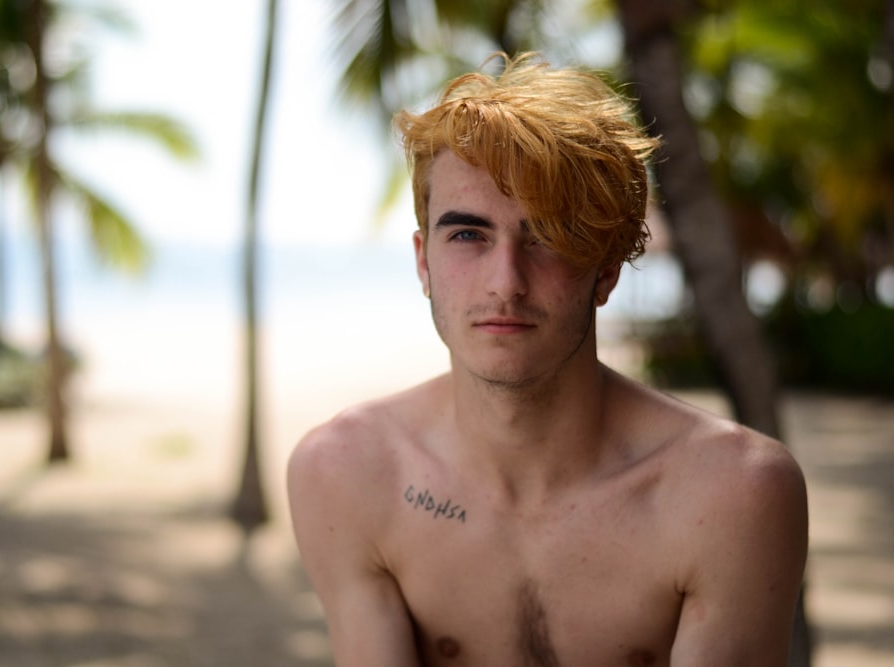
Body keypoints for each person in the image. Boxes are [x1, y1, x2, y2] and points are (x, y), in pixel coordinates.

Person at [287, 52, 808, 666]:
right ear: (424, 262)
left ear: (607, 270)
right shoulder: (349, 474)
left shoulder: (730, 496)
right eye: (468, 235)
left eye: (548, 238)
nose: (505, 282)